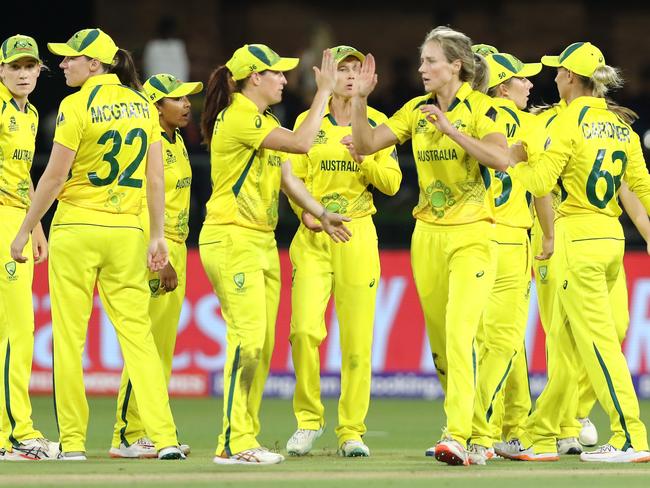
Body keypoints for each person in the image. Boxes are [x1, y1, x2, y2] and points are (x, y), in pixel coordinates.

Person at [10, 28, 184, 461]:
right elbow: (156, 177)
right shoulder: (144, 105)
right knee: (139, 338)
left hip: (77, 230)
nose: (63, 65)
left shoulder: (76, 104)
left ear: (95, 65)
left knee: (69, 339)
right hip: (127, 232)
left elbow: (53, 177)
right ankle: (162, 438)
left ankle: (71, 443)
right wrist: (158, 235)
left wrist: (26, 228)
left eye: (71, 59)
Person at [350, 26, 509, 466]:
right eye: (422, 61)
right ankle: (477, 435)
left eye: (430, 61)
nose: (421, 68)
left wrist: (454, 131)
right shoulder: (415, 111)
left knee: (461, 336)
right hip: (428, 237)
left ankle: (457, 435)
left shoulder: (484, 109)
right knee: (441, 347)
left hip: (474, 233)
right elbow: (365, 145)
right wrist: (361, 99)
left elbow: (502, 159)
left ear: (455, 65)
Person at [199, 43, 351, 465]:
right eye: (278, 74)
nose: (284, 80)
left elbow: (287, 177)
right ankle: (233, 442)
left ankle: (244, 436)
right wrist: (322, 91)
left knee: (261, 347)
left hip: (260, 241)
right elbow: (304, 144)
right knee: (247, 342)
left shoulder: (261, 120)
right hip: (232, 238)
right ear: (254, 79)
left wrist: (320, 212)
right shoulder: (240, 116)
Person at [508, 41, 650, 463]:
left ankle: (631, 436)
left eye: (557, 72)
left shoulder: (566, 123)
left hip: (577, 237)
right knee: (572, 343)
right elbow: (640, 191)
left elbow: (541, 183)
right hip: (612, 238)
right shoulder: (620, 127)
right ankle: (538, 435)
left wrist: (516, 160)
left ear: (571, 78)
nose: (553, 77)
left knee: (596, 343)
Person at [285, 45, 402, 458]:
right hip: (315, 238)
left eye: (356, 69)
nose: (350, 75)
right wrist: (306, 213)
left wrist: (365, 157)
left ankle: (351, 430)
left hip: (357, 234)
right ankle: (308, 419)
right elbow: (291, 177)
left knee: (356, 341)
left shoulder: (378, 123)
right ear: (326, 75)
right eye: (342, 68)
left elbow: (391, 182)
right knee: (303, 331)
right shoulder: (307, 121)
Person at [109, 73, 202, 459]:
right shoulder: (147, 143)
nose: (186, 104)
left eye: (186, 98)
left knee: (162, 348)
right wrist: (159, 255)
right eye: (176, 99)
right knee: (144, 345)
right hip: (155, 250)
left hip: (175, 246)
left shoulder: (175, 139)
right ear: (155, 105)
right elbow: (145, 201)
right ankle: (127, 434)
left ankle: (148, 428)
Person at [468, 51, 552, 460]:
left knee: (480, 342)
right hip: (512, 240)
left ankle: (497, 426)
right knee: (502, 343)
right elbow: (541, 186)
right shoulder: (529, 124)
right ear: (503, 86)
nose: (530, 85)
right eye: (521, 79)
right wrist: (549, 235)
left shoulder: (472, 118)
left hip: (471, 236)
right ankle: (479, 432)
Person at [0, 34, 58, 461]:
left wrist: (33, 224)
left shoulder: (32, 113)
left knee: (18, 331)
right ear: (1, 70)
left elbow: (21, 173)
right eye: (14, 67)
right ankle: (14, 436)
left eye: (29, 67)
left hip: (15, 221)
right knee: (16, 333)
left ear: (40, 70)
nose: (22, 74)